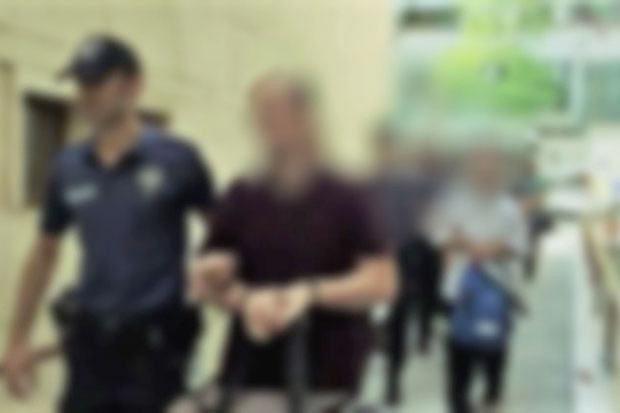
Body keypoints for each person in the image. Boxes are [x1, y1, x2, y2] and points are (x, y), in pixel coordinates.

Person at [1, 35, 214, 413]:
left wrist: (218, 281)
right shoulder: (68, 167)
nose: (85, 95)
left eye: (96, 82)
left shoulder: (178, 160)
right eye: (81, 83)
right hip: (90, 351)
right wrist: (18, 340)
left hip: (157, 352)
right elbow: (44, 253)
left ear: (134, 85)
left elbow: (225, 234)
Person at [190, 73, 398, 408]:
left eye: (277, 114)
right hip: (248, 374)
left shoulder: (348, 195)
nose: (267, 127)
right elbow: (202, 283)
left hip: (328, 378)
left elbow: (382, 282)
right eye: (260, 116)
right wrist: (242, 298)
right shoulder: (243, 194)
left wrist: (308, 294)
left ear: (307, 119)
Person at [432, 144, 527, 413]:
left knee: (493, 350)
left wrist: (491, 248)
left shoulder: (509, 207)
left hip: (497, 290)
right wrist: (464, 243)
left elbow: (519, 244)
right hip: (459, 291)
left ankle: (492, 391)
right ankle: (459, 402)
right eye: (479, 163)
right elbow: (439, 238)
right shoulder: (452, 204)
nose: (485, 169)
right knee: (458, 355)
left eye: (491, 164)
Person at [368, 129, 443, 405]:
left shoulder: (410, 185)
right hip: (371, 263)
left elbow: (424, 224)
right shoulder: (367, 184)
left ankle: (393, 379)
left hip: (402, 262)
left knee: (397, 324)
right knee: (372, 326)